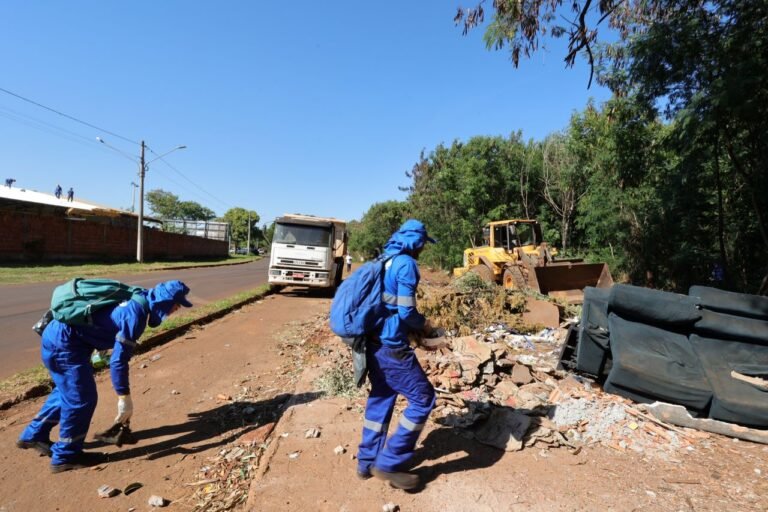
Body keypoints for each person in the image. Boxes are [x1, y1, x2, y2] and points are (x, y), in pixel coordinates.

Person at [16, 280, 193, 473]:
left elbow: (104, 322)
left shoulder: (138, 297)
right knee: (81, 399)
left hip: (62, 338)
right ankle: (66, 456)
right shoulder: (135, 316)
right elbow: (118, 361)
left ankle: (33, 435)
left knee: (67, 392)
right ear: (164, 302)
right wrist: (124, 397)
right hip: (65, 345)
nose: (177, 309)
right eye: (177, 304)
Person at [356, 219, 437, 490]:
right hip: (392, 347)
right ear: (417, 243)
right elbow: (406, 311)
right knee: (423, 399)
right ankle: (389, 463)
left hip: (373, 343)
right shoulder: (406, 264)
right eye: (423, 244)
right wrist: (425, 325)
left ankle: (366, 462)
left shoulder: (384, 260)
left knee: (381, 398)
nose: (423, 249)